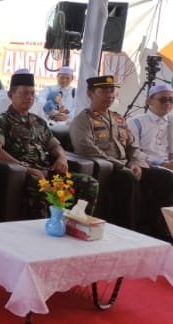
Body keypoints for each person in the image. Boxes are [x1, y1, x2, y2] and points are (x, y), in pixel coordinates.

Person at [70, 76, 173, 237]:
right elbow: (87, 149)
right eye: (103, 91)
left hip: (130, 166)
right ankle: (128, 232)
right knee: (128, 178)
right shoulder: (83, 120)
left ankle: (159, 231)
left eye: (111, 91)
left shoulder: (118, 118)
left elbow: (133, 146)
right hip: (110, 169)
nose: (109, 95)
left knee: (166, 178)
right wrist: (123, 166)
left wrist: (136, 163)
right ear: (90, 94)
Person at [0, 73, 98, 218]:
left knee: (89, 183)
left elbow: (54, 145)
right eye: (24, 93)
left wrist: (62, 158)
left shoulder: (38, 121)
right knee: (43, 187)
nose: (30, 97)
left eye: (32, 93)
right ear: (11, 95)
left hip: (49, 172)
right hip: (25, 175)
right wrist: (24, 168)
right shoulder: (1, 121)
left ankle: (76, 224)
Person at [128, 83, 173, 170]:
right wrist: (161, 163)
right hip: (146, 167)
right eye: (163, 100)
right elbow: (134, 152)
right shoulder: (135, 122)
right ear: (149, 101)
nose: (168, 103)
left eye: (171, 100)